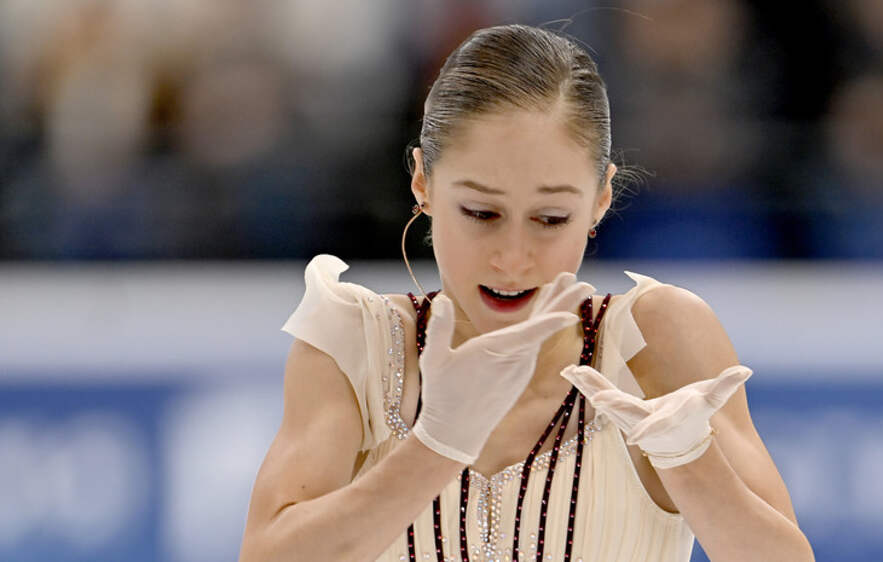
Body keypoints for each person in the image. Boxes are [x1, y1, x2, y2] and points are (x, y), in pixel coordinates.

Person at [238, 24, 813, 562]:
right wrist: (436, 444)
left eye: (550, 218)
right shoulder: (356, 345)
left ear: (600, 200)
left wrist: (691, 463)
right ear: (423, 182)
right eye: (481, 212)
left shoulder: (657, 339)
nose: (513, 258)